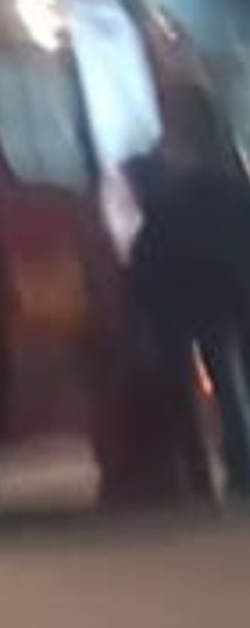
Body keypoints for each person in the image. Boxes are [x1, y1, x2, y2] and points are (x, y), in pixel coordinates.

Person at [125, 89, 250, 501]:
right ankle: (236, 464)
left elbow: (154, 242)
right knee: (232, 379)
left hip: (203, 293)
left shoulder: (172, 184)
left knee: (225, 381)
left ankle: (234, 466)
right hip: (232, 286)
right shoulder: (228, 173)